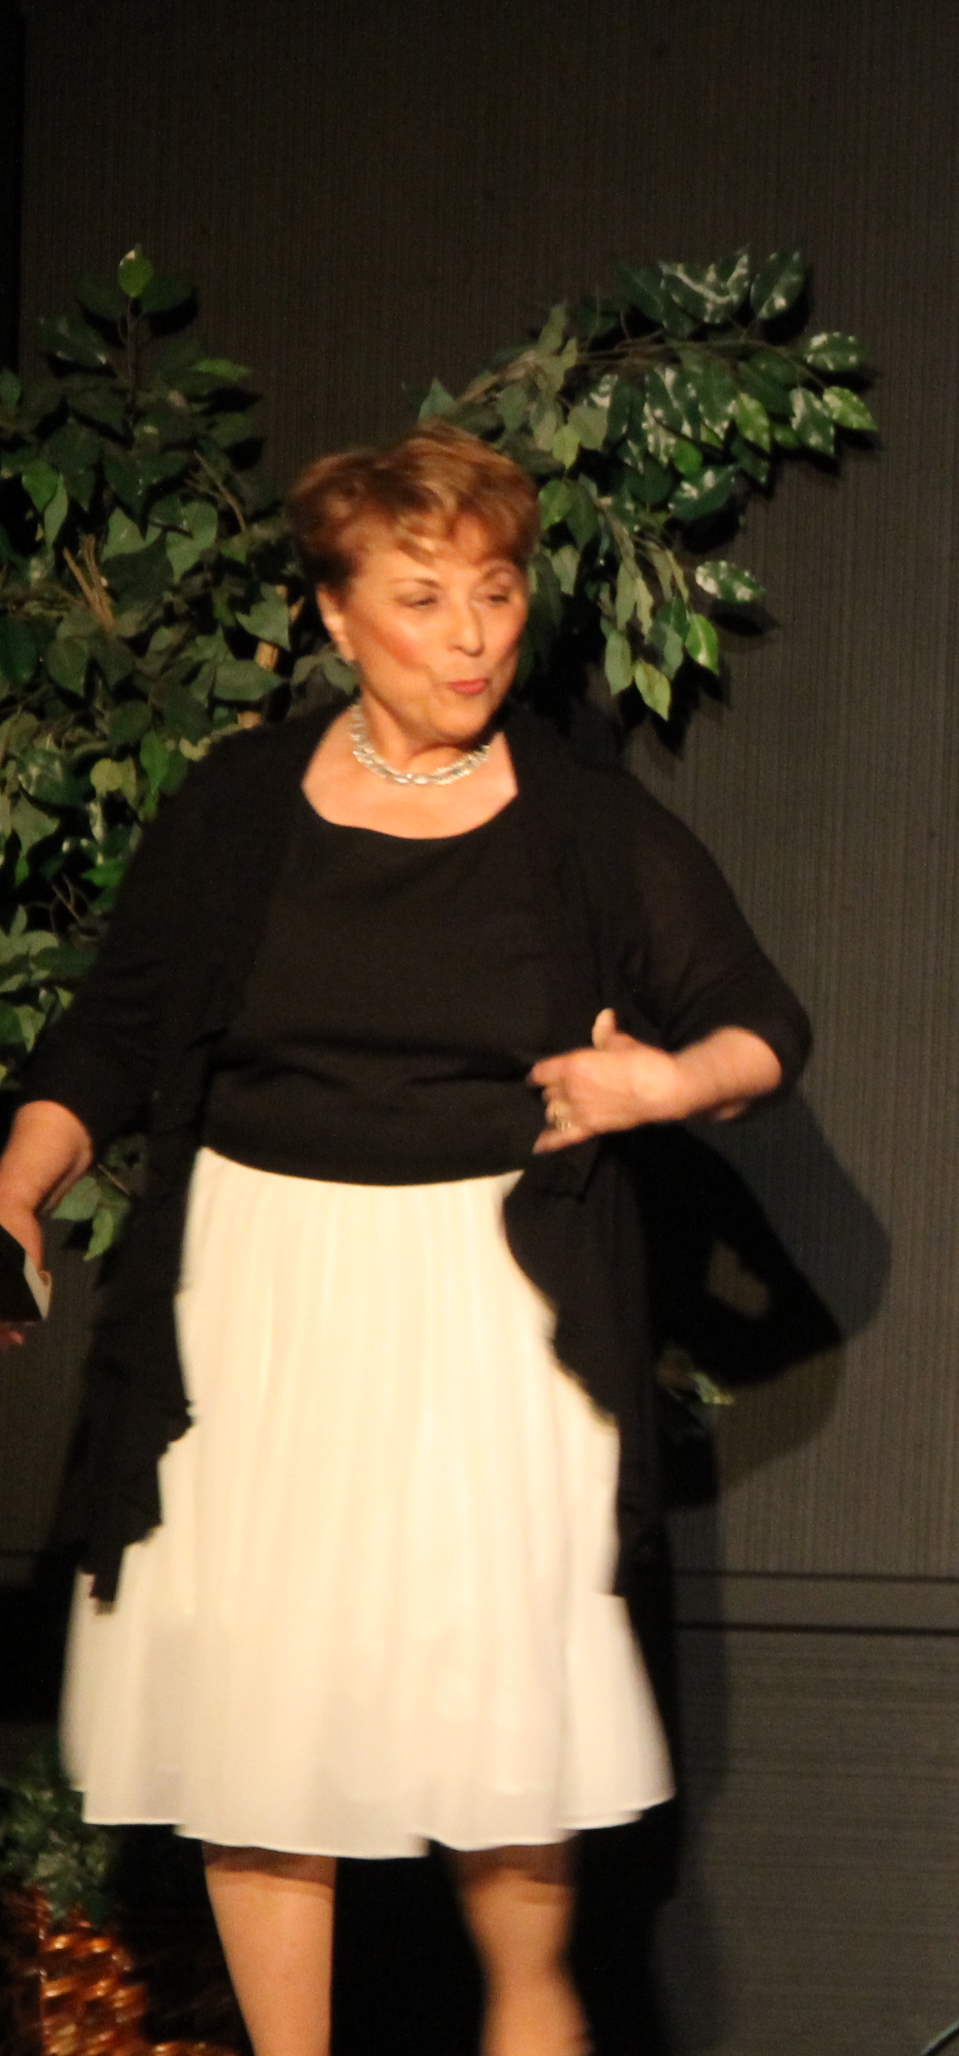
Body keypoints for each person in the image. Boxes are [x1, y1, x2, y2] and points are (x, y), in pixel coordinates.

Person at [0, 423, 811, 2056]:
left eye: (496, 593)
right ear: (335, 614)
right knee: (261, 1748)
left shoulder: (582, 827)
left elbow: (760, 1028)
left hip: (484, 1311)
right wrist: (15, 1187)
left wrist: (664, 1083)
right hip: (258, 1311)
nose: (472, 635)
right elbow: (110, 1037)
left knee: (505, 1762)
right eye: (425, 598)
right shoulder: (239, 810)